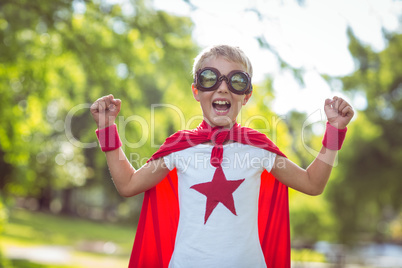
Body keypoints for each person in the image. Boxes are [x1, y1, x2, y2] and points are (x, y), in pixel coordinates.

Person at [90, 45, 354, 268]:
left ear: (246, 95)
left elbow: (312, 183)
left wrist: (334, 130)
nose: (223, 88)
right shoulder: (180, 146)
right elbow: (128, 185)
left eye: (236, 80)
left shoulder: (257, 147)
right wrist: (106, 127)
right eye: (210, 78)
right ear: (196, 91)